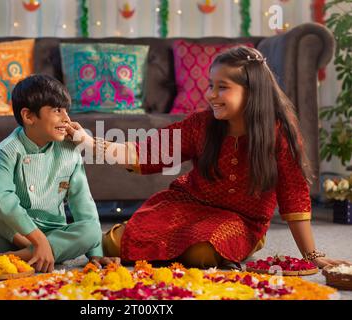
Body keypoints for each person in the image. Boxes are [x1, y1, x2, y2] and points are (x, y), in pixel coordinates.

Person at [66, 46, 350, 269]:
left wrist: (312, 255)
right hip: (187, 204)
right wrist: (90, 142)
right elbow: (145, 152)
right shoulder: (201, 124)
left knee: (202, 252)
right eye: (210, 85)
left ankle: (237, 244)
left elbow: (294, 195)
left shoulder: (279, 132)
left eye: (222, 87)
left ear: (252, 92)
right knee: (112, 244)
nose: (211, 95)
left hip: (241, 220)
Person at [0, 75, 119, 273]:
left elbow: (82, 202)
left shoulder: (69, 149)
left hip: (53, 233)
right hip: (11, 234)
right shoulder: (7, 150)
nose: (66, 118)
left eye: (66, 110)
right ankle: (35, 250)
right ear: (29, 116)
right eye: (57, 110)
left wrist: (96, 254)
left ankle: (10, 259)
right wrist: (38, 240)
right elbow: (3, 199)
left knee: (92, 231)